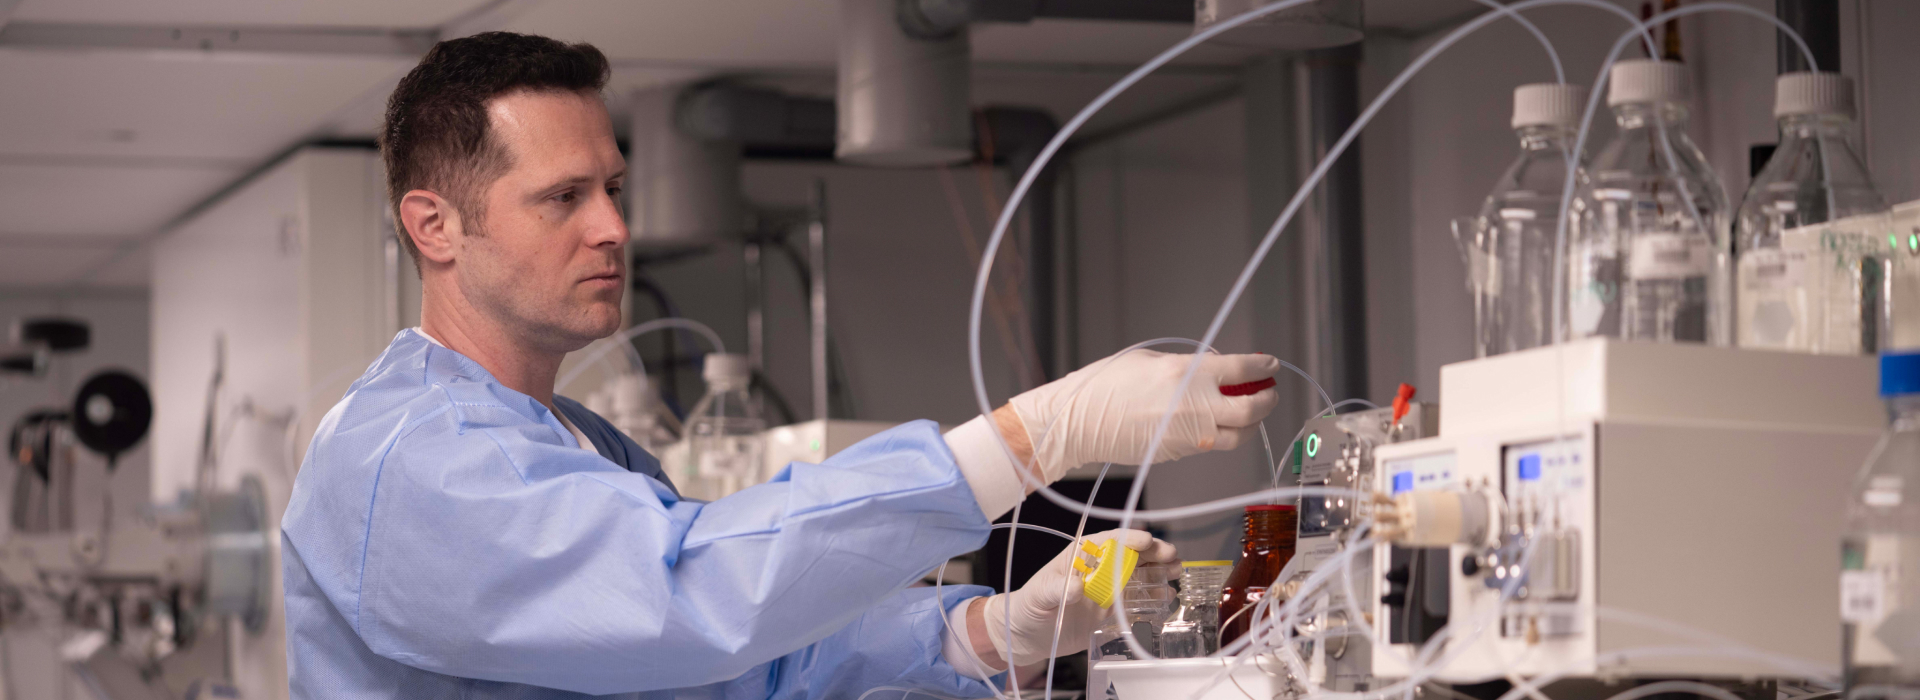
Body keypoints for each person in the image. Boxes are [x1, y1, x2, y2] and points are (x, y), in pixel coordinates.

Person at [279, 32, 1282, 699]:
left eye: (615, 188)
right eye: (564, 197)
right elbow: (694, 595)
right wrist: (1034, 438)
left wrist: (991, 633)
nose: (615, 228)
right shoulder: (405, 454)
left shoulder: (580, 442)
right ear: (435, 226)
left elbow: (742, 666)